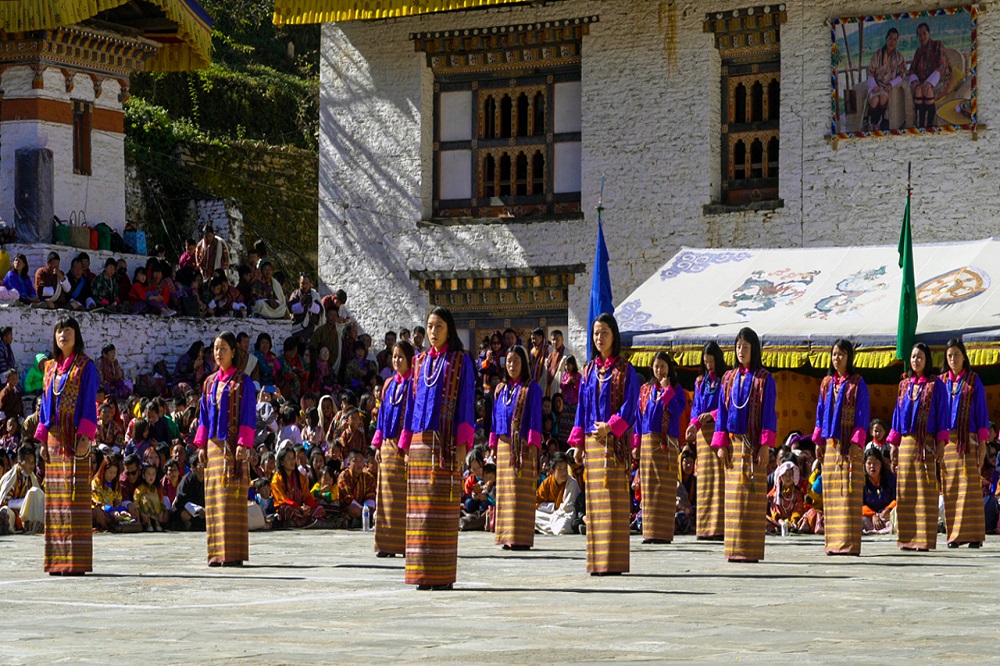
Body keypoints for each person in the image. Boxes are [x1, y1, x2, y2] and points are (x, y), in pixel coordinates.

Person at [399, 307, 475, 590]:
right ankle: (421, 574)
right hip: (420, 445)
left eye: (439, 326)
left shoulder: (459, 361)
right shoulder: (418, 363)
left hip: (445, 444)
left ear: (449, 329)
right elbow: (411, 406)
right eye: (430, 326)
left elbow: (466, 403)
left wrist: (462, 443)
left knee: (439, 509)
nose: (433, 332)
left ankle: (440, 575)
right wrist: (406, 444)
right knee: (419, 512)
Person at [568, 313, 639, 575]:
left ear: (614, 335)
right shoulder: (588, 371)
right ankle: (597, 560)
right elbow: (582, 408)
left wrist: (611, 425)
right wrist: (578, 443)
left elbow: (630, 406)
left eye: (605, 333)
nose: (600, 338)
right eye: (596, 333)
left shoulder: (626, 370)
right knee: (595, 503)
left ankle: (614, 561)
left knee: (614, 502)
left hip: (614, 444)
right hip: (593, 446)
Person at [34, 316, 98, 574]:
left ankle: (76, 561)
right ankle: (56, 561)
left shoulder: (86, 366)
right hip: (54, 440)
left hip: (75, 439)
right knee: (56, 501)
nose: (63, 335)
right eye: (59, 330)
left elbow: (89, 400)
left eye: (68, 330)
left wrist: (85, 436)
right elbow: (45, 404)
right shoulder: (50, 367)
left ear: (76, 334)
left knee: (75, 498)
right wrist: (41, 438)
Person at [713, 327, 777, 563]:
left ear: (754, 350)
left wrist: (764, 446)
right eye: (738, 346)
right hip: (733, 444)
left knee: (750, 498)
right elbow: (722, 411)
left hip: (752, 446)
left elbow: (769, 413)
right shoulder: (728, 378)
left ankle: (749, 550)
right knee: (733, 499)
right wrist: (720, 443)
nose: (741, 351)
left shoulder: (764, 379)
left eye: (746, 347)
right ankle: (733, 548)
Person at [193, 331, 257, 566]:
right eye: (215, 349)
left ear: (233, 352)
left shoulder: (243, 381)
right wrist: (200, 445)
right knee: (214, 499)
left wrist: (243, 443)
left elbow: (249, 414)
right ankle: (217, 552)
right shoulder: (209, 382)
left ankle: (233, 553)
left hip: (232, 447)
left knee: (231, 498)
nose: (218, 353)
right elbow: (203, 417)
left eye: (223, 349)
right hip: (213, 447)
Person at [887, 342, 948, 552]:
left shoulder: (935, 384)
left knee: (925, 491)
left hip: (926, 444)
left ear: (927, 359)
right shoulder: (904, 385)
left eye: (920, 357)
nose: (916, 360)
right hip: (906, 444)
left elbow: (942, 414)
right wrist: (894, 445)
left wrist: (941, 442)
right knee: (905, 490)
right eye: (913, 357)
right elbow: (897, 415)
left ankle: (923, 540)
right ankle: (906, 538)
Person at [812, 339, 870, 556]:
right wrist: (818, 441)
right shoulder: (826, 383)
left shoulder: (857, 383)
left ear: (849, 357)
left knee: (848, 493)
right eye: (834, 354)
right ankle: (833, 543)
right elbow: (820, 412)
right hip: (830, 444)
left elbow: (862, 414)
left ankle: (848, 543)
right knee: (832, 494)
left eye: (841, 354)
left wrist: (857, 442)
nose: (837, 358)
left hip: (849, 446)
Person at [490, 345, 542, 551]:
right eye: (509, 362)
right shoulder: (500, 390)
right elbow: (494, 419)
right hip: (504, 447)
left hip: (523, 447)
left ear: (524, 364)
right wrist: (493, 445)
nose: (512, 365)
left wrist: (534, 446)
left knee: (520, 493)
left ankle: (520, 537)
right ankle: (505, 536)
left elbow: (535, 418)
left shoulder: (532, 388)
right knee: (504, 493)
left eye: (516, 362)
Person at [939, 338, 988, 548]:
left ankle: (975, 536)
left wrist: (983, 442)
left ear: (964, 356)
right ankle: (955, 536)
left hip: (969, 441)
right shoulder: (941, 382)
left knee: (969, 488)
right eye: (949, 355)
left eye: (956, 355)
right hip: (948, 443)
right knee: (951, 488)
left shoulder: (973, 380)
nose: (953, 359)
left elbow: (981, 411)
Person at [633, 351, 686, 545]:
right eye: (656, 366)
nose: (659, 370)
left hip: (666, 443)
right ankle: (649, 531)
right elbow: (639, 417)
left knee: (664, 487)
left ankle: (663, 532)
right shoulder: (645, 389)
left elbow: (678, 410)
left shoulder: (676, 389)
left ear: (669, 368)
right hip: (648, 442)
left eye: (663, 366)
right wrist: (636, 443)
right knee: (648, 486)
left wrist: (667, 392)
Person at [371, 340, 414, 558]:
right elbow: (381, 416)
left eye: (401, 357)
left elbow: (411, 417)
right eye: (394, 357)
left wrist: (405, 445)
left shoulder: (414, 384)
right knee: (385, 496)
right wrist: (378, 443)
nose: (397, 361)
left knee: (402, 496)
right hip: (387, 445)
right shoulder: (388, 384)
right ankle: (385, 544)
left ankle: (402, 543)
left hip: (403, 446)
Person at [685, 342, 727, 540]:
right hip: (703, 436)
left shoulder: (725, 380)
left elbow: (727, 406)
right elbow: (696, 408)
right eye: (706, 362)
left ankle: (719, 527)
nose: (709, 365)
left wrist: (711, 414)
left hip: (718, 432)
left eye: (711, 361)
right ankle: (704, 527)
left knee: (719, 481)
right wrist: (693, 424)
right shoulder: (700, 382)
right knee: (704, 482)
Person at [271, 441, 325, 528]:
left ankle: (300, 522)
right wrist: (299, 507)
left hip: (301, 508)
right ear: (281, 462)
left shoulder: (300, 477)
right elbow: (283, 499)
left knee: (319, 509)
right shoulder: (276, 478)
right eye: (289, 458)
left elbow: (307, 496)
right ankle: (306, 521)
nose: (292, 461)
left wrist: (310, 506)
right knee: (288, 510)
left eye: (293, 458)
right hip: (288, 509)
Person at [908, 22, 951, 129]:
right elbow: (912, 69)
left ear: (929, 33)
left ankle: (930, 126)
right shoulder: (918, 52)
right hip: (923, 81)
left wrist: (930, 82)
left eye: (924, 33)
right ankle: (920, 125)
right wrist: (915, 82)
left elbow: (942, 66)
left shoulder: (938, 45)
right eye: (919, 35)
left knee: (928, 91)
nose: (922, 37)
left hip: (940, 79)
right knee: (918, 90)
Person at [865, 27, 907, 131]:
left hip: (888, 86)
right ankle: (872, 121)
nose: (892, 42)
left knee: (883, 98)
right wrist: (874, 86)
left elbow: (902, 74)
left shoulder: (899, 57)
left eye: (894, 39)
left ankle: (880, 120)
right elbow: (870, 73)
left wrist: (891, 84)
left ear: (897, 41)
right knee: (875, 100)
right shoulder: (877, 55)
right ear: (886, 39)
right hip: (876, 85)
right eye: (890, 39)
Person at [0, 444, 45, 533]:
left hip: (23, 514)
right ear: (20, 463)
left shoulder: (32, 478)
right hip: (13, 513)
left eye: (33, 462)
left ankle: (33, 526)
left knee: (36, 492)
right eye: (28, 461)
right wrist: (25, 501)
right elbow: (5, 501)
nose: (32, 465)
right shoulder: (11, 477)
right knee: (5, 512)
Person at [535, 451, 580, 535]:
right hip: (550, 515)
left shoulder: (572, 483)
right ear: (553, 470)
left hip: (565, 516)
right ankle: (551, 527)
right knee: (533, 516)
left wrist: (557, 510)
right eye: (559, 468)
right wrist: (553, 507)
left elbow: (569, 508)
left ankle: (547, 528)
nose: (563, 472)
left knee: (564, 525)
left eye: (565, 468)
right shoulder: (546, 483)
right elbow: (537, 503)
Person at [862, 447, 897, 534]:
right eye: (869, 463)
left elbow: (897, 498)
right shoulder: (861, 480)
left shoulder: (890, 477)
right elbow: (859, 504)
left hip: (887, 515)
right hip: (870, 518)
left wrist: (888, 509)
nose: (872, 466)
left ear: (881, 464)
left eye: (875, 463)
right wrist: (873, 515)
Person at [338, 449, 376, 526]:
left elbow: (371, 495)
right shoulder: (344, 476)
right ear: (349, 463)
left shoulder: (367, 477)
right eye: (355, 461)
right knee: (354, 509)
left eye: (361, 460)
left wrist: (368, 508)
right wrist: (363, 510)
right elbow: (348, 499)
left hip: (364, 509)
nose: (359, 464)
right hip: (348, 508)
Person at [172, 455, 206, 531]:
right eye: (200, 464)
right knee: (185, 515)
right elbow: (182, 499)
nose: (203, 467)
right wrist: (198, 509)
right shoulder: (187, 480)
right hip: (184, 508)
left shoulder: (207, 479)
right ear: (193, 467)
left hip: (203, 510)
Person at [288, 272, 324, 341]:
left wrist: (311, 305)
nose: (304, 286)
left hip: (312, 327)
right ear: (299, 283)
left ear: (310, 284)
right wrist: (301, 304)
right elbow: (290, 308)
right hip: (298, 327)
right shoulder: (295, 294)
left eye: (306, 283)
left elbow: (320, 310)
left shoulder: (314, 295)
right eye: (302, 283)